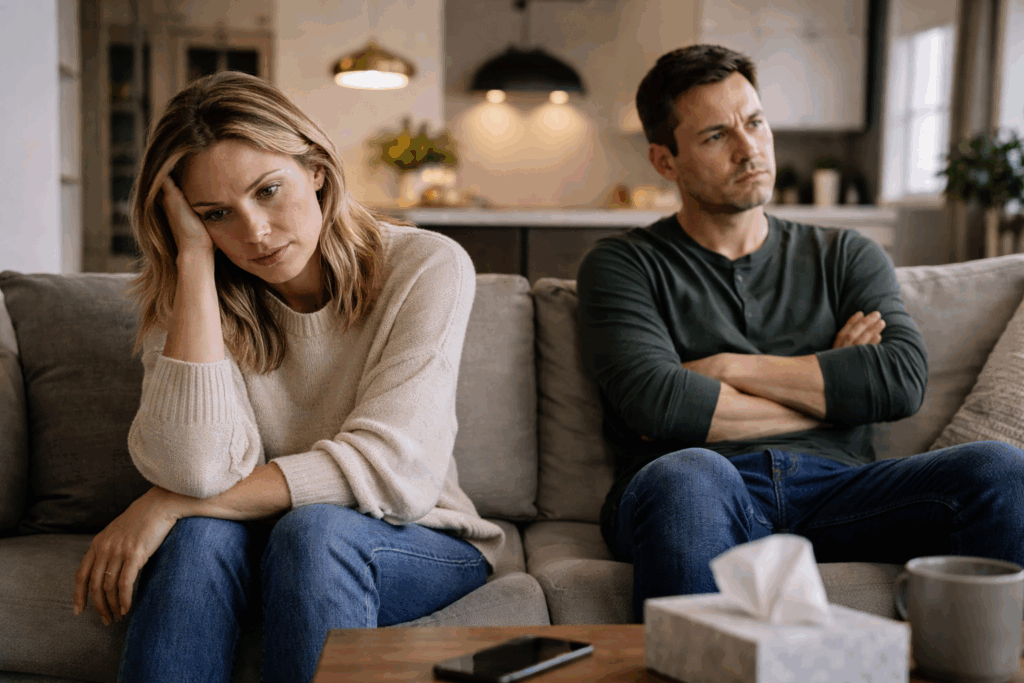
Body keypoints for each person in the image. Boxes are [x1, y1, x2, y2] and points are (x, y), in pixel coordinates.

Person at [70, 71, 504, 683]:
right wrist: (194, 265)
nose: (254, 232)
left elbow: (396, 471)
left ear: (318, 169)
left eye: (268, 190)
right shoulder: (192, 300)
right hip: (253, 538)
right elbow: (196, 468)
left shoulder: (427, 265)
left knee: (312, 532)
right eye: (216, 213)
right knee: (196, 543)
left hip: (411, 537)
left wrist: (167, 502)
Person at [576, 44, 1024, 623]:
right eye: (716, 136)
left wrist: (724, 368)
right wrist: (837, 396)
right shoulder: (623, 264)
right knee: (689, 470)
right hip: (702, 488)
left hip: (842, 492)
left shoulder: (846, 254)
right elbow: (655, 402)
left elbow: (899, 380)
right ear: (665, 161)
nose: (750, 149)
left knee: (999, 468)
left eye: (755, 122)